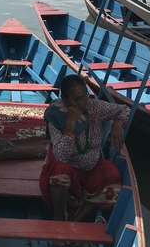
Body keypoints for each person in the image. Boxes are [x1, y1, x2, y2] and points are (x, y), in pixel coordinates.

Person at [39, 74, 129, 231]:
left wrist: (118, 122)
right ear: (65, 100)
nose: (81, 103)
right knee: (61, 171)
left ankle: (78, 218)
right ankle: (58, 216)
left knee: (112, 173)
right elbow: (61, 156)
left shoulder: (95, 107)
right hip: (68, 167)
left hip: (91, 167)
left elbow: (124, 108)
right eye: (75, 99)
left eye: (83, 97)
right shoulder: (56, 115)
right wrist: (70, 125)